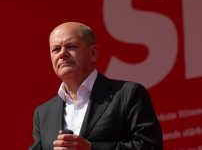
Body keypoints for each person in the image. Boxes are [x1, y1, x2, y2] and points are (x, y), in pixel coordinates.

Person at [30, 22, 163, 150]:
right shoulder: (43, 114)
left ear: (93, 53)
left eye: (71, 46)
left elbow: (150, 146)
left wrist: (92, 149)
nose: (62, 54)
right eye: (56, 49)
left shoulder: (128, 94)